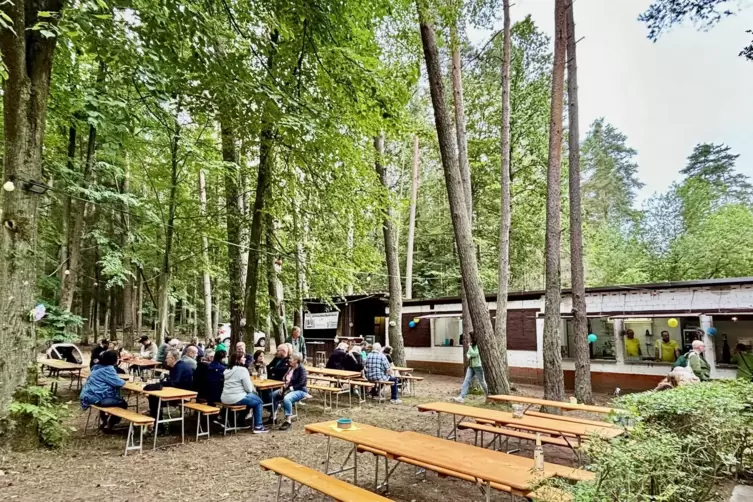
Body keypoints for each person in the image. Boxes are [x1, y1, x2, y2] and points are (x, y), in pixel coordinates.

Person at [80, 350, 126, 433]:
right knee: (122, 403)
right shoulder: (108, 369)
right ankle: (110, 425)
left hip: (88, 396)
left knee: (107, 400)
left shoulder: (96, 367)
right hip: (97, 397)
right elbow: (118, 383)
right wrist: (124, 381)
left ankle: (104, 421)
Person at [221, 353, 268, 433]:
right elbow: (249, 389)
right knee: (258, 402)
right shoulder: (242, 370)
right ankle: (258, 426)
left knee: (251, 399)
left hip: (225, 397)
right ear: (238, 360)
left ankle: (241, 421)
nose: (245, 359)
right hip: (237, 398)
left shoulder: (227, 370)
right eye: (243, 358)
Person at [146, 349, 193, 418]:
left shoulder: (179, 367)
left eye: (167, 358)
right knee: (153, 397)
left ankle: (158, 423)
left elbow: (174, 383)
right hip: (179, 393)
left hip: (182, 396)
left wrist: (161, 382)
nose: (165, 360)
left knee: (154, 398)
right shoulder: (179, 365)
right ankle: (157, 419)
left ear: (173, 359)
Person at [271, 352, 308, 431]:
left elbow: (302, 383)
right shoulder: (290, 368)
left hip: (300, 390)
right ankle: (273, 416)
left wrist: (290, 389)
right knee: (273, 395)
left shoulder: (301, 369)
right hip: (287, 389)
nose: (289, 360)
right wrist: (282, 387)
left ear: (296, 360)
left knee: (287, 398)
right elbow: (285, 380)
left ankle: (288, 421)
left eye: (291, 358)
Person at [453, 332, 489, 403]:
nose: (469, 339)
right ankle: (461, 397)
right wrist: (469, 354)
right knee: (466, 380)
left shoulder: (478, 345)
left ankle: (489, 395)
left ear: (473, 338)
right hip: (471, 366)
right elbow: (468, 354)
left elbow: (475, 354)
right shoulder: (472, 345)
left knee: (482, 381)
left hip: (478, 366)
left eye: (470, 338)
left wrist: (469, 348)